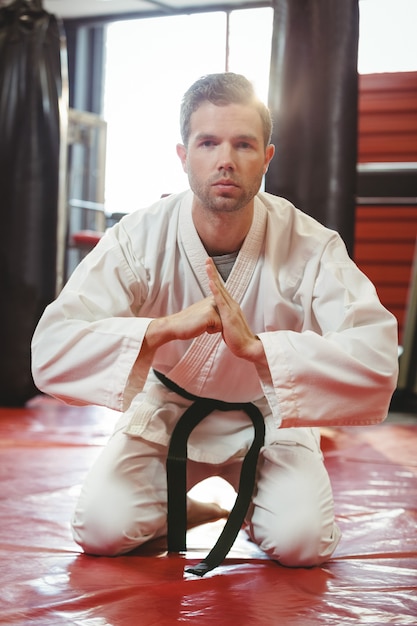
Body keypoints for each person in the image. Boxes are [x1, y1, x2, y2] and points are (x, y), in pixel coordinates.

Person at [31, 72, 398, 571]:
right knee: (100, 529)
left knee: (301, 543)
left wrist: (260, 351)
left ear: (266, 158)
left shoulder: (310, 244)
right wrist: (164, 328)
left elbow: (376, 356)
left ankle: (253, 504)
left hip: (268, 414)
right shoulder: (138, 237)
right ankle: (190, 506)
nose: (225, 159)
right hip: (168, 407)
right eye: (208, 142)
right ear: (183, 155)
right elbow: (52, 345)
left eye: (244, 144)